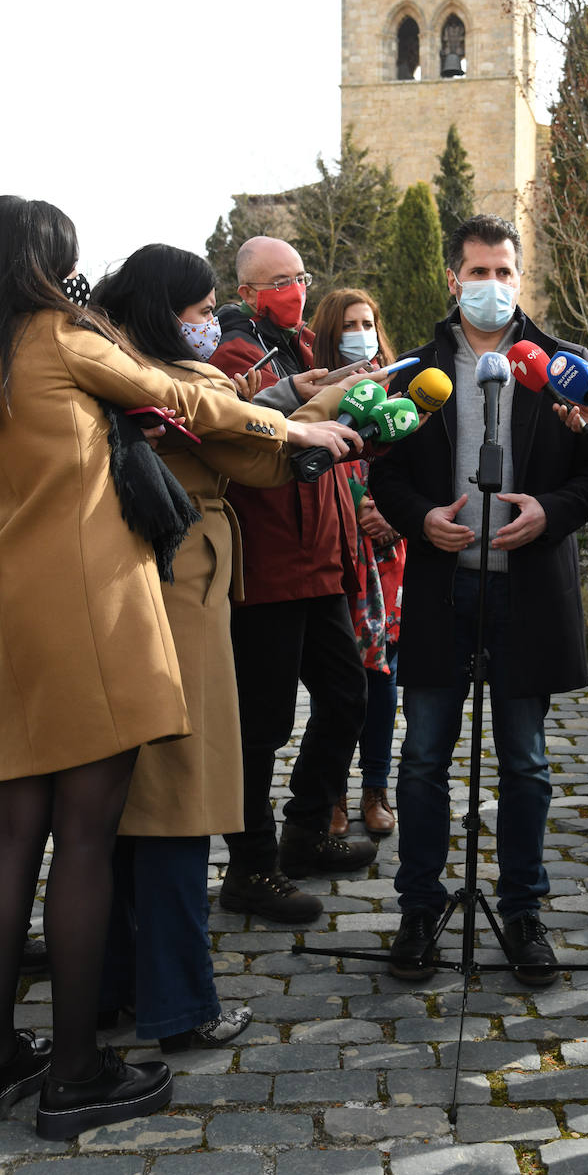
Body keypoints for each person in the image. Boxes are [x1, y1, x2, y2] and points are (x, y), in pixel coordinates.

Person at [0, 196, 329, 1139]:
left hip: (13, 619)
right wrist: (292, 429)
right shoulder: (58, 335)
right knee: (92, 838)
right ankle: (74, 1071)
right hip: (88, 609)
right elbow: (169, 391)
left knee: (18, 839)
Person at [93, 245, 340, 1049]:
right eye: (198, 311)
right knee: (176, 801)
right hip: (176, 588)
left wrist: (301, 411)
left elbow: (243, 441)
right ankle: (180, 1004)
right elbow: (227, 429)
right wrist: (309, 418)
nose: (208, 325)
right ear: (164, 311)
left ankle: (116, 984)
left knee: (125, 810)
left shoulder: (109, 360)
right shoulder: (147, 373)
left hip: (149, 586)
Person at [370, 213, 588, 985]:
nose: (493, 287)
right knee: (423, 760)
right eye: (478, 273)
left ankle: (523, 910)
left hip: (529, 590)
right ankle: (417, 909)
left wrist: (551, 512)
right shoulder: (417, 374)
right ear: (453, 280)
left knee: (527, 764)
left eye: (504, 273)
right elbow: (387, 476)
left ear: (519, 276)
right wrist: (420, 521)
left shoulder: (559, 368)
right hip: (445, 589)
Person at [210, 237, 376, 925]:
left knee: (347, 696)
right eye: (279, 280)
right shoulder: (235, 361)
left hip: (320, 563)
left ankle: (308, 826)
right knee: (262, 723)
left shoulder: (308, 347)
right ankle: (251, 866)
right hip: (268, 569)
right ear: (246, 292)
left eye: (301, 276)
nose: (295, 289)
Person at [309, 287, 406, 837]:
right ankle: (333, 793)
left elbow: (418, 467)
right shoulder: (317, 389)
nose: (361, 332)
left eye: (368, 321)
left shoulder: (397, 386)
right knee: (339, 677)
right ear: (330, 332)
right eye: (349, 323)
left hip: (387, 550)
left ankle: (376, 787)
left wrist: (392, 512)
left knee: (381, 669)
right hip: (334, 546)